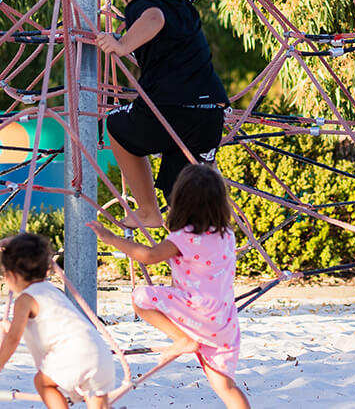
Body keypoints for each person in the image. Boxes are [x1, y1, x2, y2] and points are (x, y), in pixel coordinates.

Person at [99, 0, 229, 229]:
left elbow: (153, 18)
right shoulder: (179, 4)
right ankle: (208, 249)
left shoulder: (143, 7)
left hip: (169, 108)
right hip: (209, 112)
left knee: (116, 125)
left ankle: (147, 210)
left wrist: (121, 44)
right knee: (184, 196)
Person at [90, 164, 250, 409]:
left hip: (197, 312)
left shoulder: (183, 238)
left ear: (181, 202)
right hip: (223, 322)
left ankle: (182, 339)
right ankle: (188, 339)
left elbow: (148, 255)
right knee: (226, 388)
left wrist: (111, 239)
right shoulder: (226, 234)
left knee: (140, 297)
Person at [0, 232, 115, 409]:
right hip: (100, 353)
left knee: (43, 382)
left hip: (75, 355)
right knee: (97, 403)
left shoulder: (25, 299)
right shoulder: (52, 290)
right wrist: (14, 328)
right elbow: (50, 322)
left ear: (12, 276)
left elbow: (13, 338)